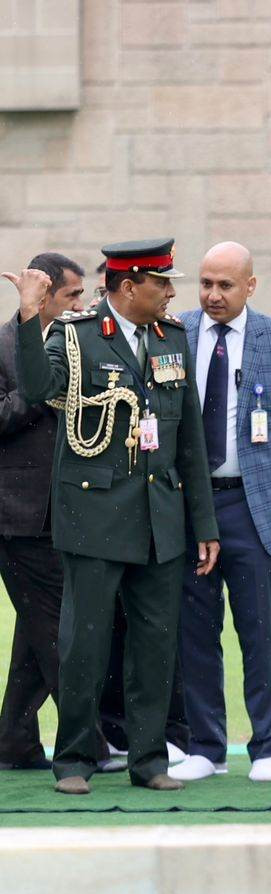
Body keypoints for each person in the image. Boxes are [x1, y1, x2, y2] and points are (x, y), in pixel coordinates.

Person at [7, 239, 219, 794]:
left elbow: (188, 436)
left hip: (160, 518)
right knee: (85, 644)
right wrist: (31, 315)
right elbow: (37, 388)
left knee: (155, 644)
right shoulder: (76, 337)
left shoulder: (171, 337)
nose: (173, 293)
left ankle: (148, 760)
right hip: (94, 514)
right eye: (162, 283)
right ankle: (73, 759)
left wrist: (205, 525)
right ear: (129, 287)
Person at [170, 243, 271, 783]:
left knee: (258, 630)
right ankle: (206, 747)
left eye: (225, 285)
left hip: (253, 506)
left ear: (250, 286)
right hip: (189, 505)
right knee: (195, 629)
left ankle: (267, 747)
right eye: (205, 283)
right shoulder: (174, 333)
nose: (212, 295)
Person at [0, 253, 85, 770]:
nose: (82, 304)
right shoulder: (3, 343)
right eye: (72, 296)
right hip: (15, 517)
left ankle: (14, 740)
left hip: (70, 513)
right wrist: (40, 394)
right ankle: (91, 740)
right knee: (55, 631)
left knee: (37, 629)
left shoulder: (79, 345)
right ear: (45, 296)